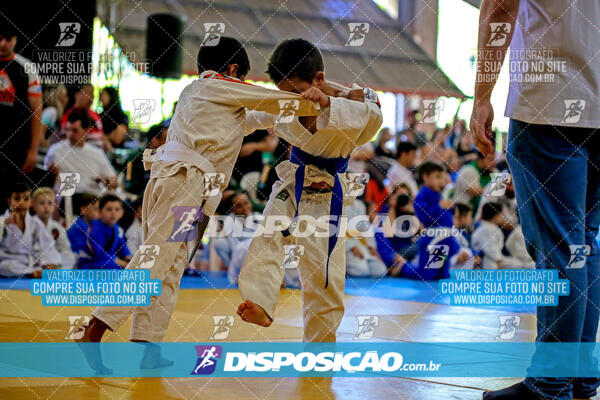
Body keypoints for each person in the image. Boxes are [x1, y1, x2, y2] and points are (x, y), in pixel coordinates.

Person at [76, 37, 321, 352]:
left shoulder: (208, 98)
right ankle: (94, 329)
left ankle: (146, 345)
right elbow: (271, 102)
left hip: (174, 181)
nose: (243, 85)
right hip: (185, 183)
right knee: (157, 259)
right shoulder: (214, 85)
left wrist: (308, 105)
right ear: (232, 69)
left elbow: (262, 116)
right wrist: (321, 98)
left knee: (169, 263)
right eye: (242, 79)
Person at [471, 2, 600, 398]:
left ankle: (550, 385)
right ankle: (577, 375)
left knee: (561, 249)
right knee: (583, 246)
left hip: (550, 105)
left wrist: (481, 96)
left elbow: (499, 9)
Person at [237, 38, 383, 342]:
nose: (290, 99)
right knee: (270, 229)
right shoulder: (285, 102)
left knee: (324, 276)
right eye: (284, 93)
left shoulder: (352, 99)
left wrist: (330, 103)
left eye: (295, 91)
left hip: (329, 193)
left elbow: (373, 117)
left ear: (318, 79)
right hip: (293, 180)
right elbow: (251, 117)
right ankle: (261, 301)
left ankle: (319, 344)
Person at [0, 26, 43, 204]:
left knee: (10, 198)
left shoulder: (27, 68)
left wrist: (33, 150)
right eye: (0, 38)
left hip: (14, 146)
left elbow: (36, 110)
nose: (3, 43)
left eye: (8, 39)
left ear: (16, 40)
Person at [45, 109, 118, 197]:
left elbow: (114, 182)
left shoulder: (97, 153)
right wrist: (51, 174)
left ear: (87, 131)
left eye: (75, 131)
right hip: (65, 198)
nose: (70, 134)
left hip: (90, 198)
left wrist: (105, 181)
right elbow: (45, 180)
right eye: (68, 130)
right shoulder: (55, 150)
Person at [0, 183, 61, 277]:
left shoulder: (35, 223)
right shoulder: (3, 220)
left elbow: (46, 246)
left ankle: (35, 271)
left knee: (57, 262)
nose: (21, 202)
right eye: (16, 199)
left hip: (28, 261)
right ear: (9, 201)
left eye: (25, 199)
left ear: (31, 202)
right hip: (6, 260)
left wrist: (48, 262)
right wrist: (4, 223)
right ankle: (32, 273)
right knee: (5, 267)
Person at [77, 194, 131, 270]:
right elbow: (100, 256)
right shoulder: (94, 230)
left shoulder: (117, 228)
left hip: (111, 261)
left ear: (122, 213)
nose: (113, 213)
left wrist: (128, 257)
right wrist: (123, 263)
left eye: (117, 209)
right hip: (93, 264)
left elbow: (121, 245)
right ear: (99, 212)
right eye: (109, 209)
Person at [31, 187, 75, 269]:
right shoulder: (29, 225)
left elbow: (65, 249)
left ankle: (56, 269)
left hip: (54, 261)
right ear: (33, 206)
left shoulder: (57, 227)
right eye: (42, 203)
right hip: (35, 260)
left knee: (71, 257)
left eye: (50, 203)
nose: (46, 207)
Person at [61, 84, 105, 149]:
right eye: (88, 93)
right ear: (77, 95)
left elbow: (102, 137)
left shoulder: (95, 115)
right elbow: (67, 140)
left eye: (92, 93)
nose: (92, 96)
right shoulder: (69, 116)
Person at [452, 151, 496, 215]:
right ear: (480, 159)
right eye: (490, 159)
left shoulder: (494, 171)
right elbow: (476, 192)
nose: (494, 163)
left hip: (480, 215)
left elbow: (499, 194)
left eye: (495, 160)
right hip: (462, 213)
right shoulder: (468, 170)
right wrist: (496, 190)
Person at [414, 161, 454, 229]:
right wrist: (440, 206)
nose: (441, 181)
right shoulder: (421, 196)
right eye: (438, 177)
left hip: (446, 232)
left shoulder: (438, 194)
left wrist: (451, 207)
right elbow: (424, 216)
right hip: (433, 235)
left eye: (442, 178)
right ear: (426, 177)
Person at [66, 193, 100, 262]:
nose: (99, 213)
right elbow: (80, 252)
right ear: (84, 210)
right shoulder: (77, 228)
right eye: (95, 209)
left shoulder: (93, 226)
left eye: (99, 210)